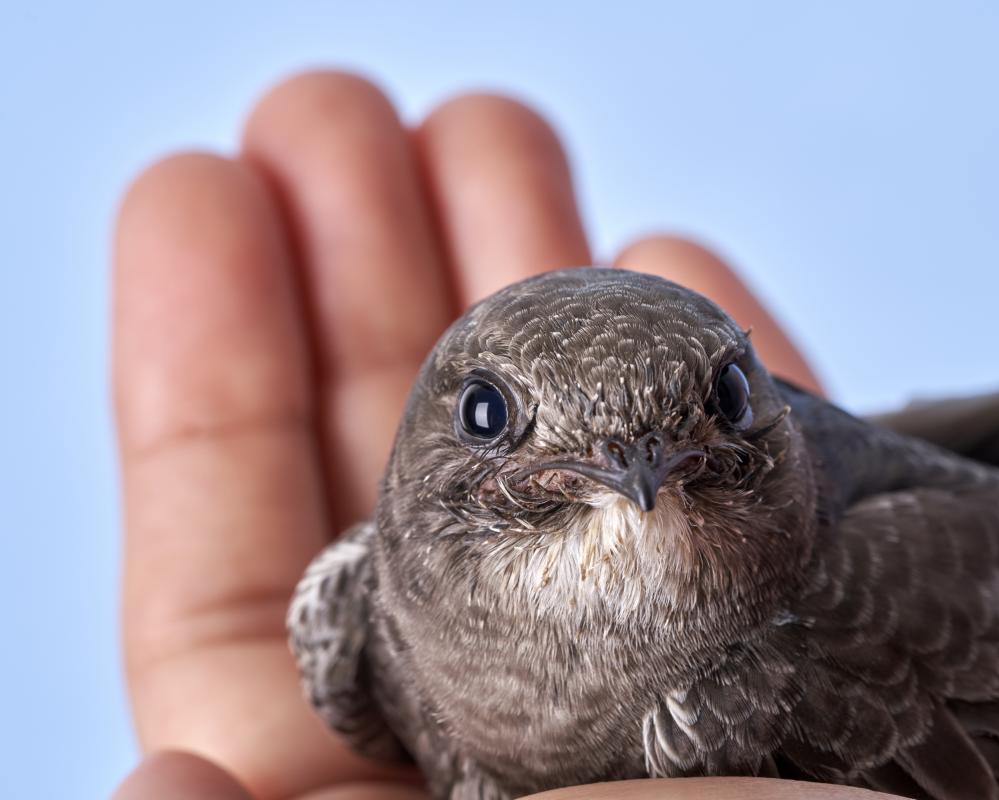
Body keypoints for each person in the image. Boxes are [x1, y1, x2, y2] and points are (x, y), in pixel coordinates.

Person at [111, 70, 887, 800]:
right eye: (493, 418)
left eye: (720, 396)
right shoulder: (367, 608)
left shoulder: (781, 666)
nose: (636, 471)